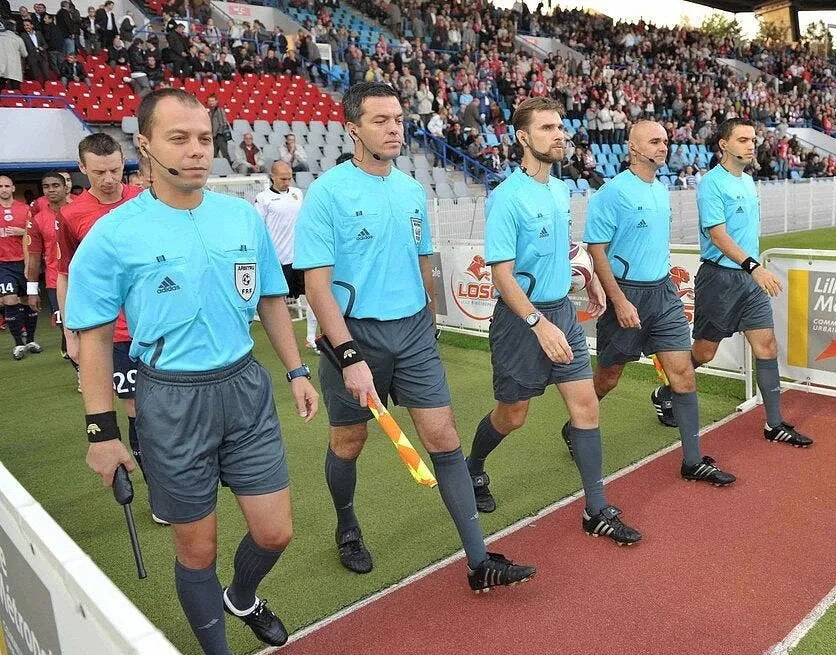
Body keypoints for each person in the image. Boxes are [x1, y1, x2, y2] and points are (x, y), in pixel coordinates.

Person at [65, 88, 319, 655]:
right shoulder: (112, 235)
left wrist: (297, 370)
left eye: (204, 138)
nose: (197, 150)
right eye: (179, 138)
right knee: (196, 548)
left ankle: (243, 596)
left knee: (275, 530)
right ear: (145, 145)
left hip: (244, 389)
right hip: (171, 401)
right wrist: (102, 432)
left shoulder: (240, 216)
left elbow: (273, 298)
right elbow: (95, 340)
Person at [294, 82, 535, 592]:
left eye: (398, 119)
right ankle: (347, 524)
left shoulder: (410, 190)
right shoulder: (326, 193)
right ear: (353, 127)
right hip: (354, 337)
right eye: (380, 120)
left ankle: (478, 561)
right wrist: (349, 354)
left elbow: (425, 259)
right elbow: (316, 288)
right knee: (349, 440)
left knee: (444, 439)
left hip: (414, 334)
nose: (393, 128)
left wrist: (430, 314)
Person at [463, 96, 642, 546]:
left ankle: (596, 509)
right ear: (523, 138)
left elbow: (559, 247)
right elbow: (501, 274)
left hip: (562, 310)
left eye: (560, 127)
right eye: (546, 128)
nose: (559, 135)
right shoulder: (505, 198)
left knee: (586, 406)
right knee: (513, 415)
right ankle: (473, 467)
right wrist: (537, 324)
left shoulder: (561, 190)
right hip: (520, 321)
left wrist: (586, 282)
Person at [584, 121, 735, 486]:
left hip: (663, 293)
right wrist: (618, 300)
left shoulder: (661, 189)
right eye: (654, 141)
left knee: (681, 373)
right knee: (608, 378)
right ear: (633, 147)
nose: (663, 146)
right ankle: (577, 421)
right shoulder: (612, 193)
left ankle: (693, 460)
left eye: (665, 141)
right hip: (627, 294)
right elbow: (596, 251)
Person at [689, 119, 812, 448]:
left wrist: (752, 270)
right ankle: (668, 387)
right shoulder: (710, 183)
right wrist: (754, 267)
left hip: (749, 279)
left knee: (767, 346)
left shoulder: (747, 181)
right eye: (742, 139)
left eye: (752, 139)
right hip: (720, 279)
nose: (750, 144)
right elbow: (717, 235)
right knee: (704, 352)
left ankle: (773, 424)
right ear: (724, 145)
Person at [55, 134, 159, 511]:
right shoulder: (71, 215)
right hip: (111, 332)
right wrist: (70, 332)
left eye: (115, 169)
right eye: (99, 172)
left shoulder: (145, 200)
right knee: (136, 410)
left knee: (165, 407)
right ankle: (157, 490)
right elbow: (67, 275)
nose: (109, 179)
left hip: (156, 325)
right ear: (82, 169)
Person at [254, 161, 318, 353]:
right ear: (272, 176)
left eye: (289, 177)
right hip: (277, 260)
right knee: (277, 303)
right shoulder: (263, 198)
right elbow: (258, 229)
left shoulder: (297, 193)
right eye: (283, 178)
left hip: (299, 256)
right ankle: (283, 342)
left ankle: (311, 337)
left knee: (313, 296)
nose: (287, 181)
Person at [24, 170, 69, 363]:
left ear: (65, 187)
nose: (51, 190)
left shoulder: (79, 211)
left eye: (56, 185)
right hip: (55, 282)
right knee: (66, 328)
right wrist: (32, 291)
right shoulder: (38, 220)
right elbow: (34, 257)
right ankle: (79, 372)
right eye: (46, 187)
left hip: (86, 279)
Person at [0, 175, 36, 359]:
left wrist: (23, 232)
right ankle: (18, 344)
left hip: (25, 262)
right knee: (10, 300)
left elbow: (35, 234)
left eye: (7, 186)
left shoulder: (25, 209)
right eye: (0, 186)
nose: (4, 189)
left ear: (13, 188)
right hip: (3, 265)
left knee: (28, 301)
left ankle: (30, 339)